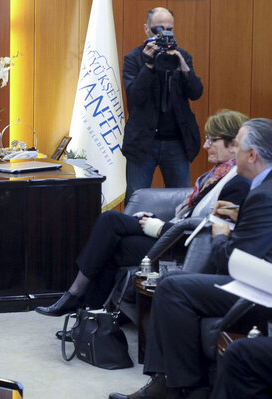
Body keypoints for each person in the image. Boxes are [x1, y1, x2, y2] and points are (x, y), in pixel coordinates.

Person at [109, 118, 272, 399]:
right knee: (173, 281)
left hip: (258, 290)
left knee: (173, 287)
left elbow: (233, 260)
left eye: (237, 146)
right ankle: (172, 383)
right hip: (259, 279)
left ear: (252, 155)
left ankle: (183, 387)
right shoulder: (263, 188)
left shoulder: (263, 194)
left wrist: (220, 234)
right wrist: (238, 215)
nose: (235, 152)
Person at [36, 110, 250, 316]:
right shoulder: (216, 175)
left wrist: (159, 228)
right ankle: (91, 316)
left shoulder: (237, 183)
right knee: (111, 230)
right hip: (172, 235)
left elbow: (209, 230)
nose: (205, 145)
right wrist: (158, 222)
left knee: (112, 232)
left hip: (182, 248)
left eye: (213, 140)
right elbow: (189, 216)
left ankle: (81, 303)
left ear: (234, 145)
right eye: (206, 139)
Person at [122, 7, 203, 203]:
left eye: (169, 29)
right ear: (146, 29)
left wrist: (184, 68)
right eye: (159, 29)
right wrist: (149, 65)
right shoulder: (134, 58)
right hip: (143, 143)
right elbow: (134, 97)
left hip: (177, 142)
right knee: (136, 199)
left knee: (181, 201)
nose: (164, 34)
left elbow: (196, 93)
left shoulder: (182, 56)